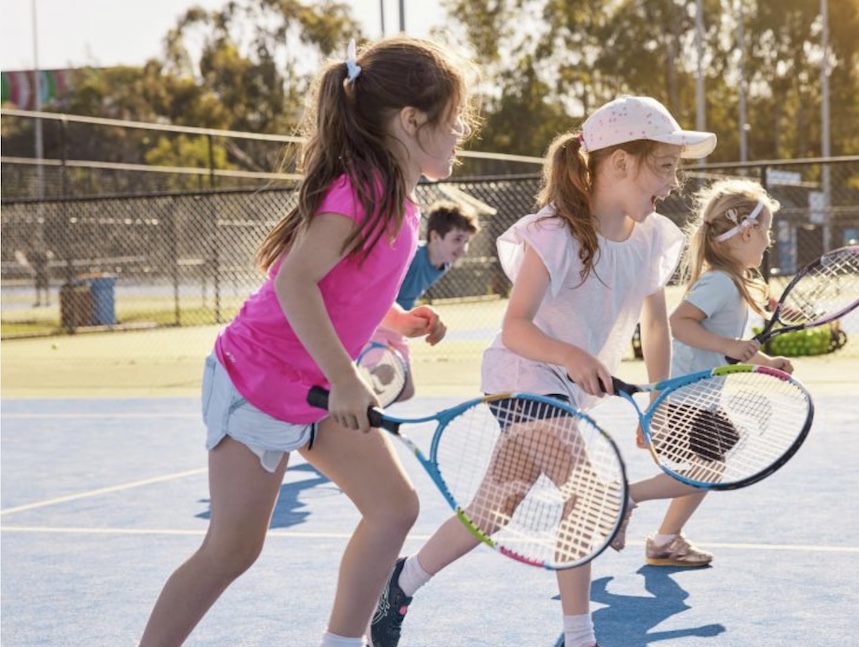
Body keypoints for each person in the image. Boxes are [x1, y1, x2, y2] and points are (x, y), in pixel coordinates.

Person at [138, 35, 476, 647]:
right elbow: (296, 283)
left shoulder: (399, 200)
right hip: (256, 383)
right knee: (233, 550)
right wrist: (346, 377)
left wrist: (397, 321)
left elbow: (347, 290)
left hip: (314, 385)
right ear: (410, 120)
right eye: (452, 122)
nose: (460, 134)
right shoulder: (359, 192)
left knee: (394, 509)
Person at [367, 95, 716, 647]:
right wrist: (574, 358)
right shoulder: (553, 232)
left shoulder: (650, 236)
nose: (674, 183)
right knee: (588, 491)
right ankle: (579, 637)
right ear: (621, 163)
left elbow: (655, 324)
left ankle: (399, 586)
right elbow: (516, 327)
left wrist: (657, 401)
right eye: (666, 166)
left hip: (565, 392)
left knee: (494, 508)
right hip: (521, 375)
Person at [639, 178, 795, 568]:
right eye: (766, 233)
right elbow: (681, 323)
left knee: (707, 467)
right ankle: (624, 496)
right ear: (745, 233)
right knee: (706, 469)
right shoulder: (721, 282)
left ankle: (664, 539)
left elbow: (725, 343)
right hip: (686, 398)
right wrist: (729, 348)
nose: (768, 242)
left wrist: (765, 363)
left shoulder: (734, 282)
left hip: (699, 398)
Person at [371, 201, 481, 402]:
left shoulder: (444, 263)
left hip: (398, 325)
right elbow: (376, 285)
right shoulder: (411, 256)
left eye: (466, 241)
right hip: (378, 320)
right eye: (457, 239)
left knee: (405, 391)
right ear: (435, 237)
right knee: (378, 387)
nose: (463, 248)